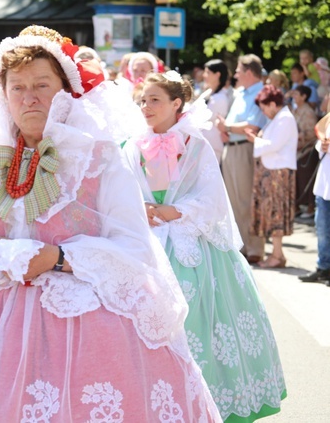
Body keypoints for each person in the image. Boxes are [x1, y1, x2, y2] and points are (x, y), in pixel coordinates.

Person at [0, 26, 219, 421]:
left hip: (83, 327)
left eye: (42, 84)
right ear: (3, 96)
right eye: (17, 87)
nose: (30, 97)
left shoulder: (98, 158)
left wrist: (59, 257)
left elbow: (135, 249)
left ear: (65, 90)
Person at [124, 72, 286, 421]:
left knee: (200, 324)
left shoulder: (196, 145)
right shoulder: (131, 145)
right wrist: (142, 209)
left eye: (154, 99)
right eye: (143, 100)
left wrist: (172, 211)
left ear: (176, 103)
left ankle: (207, 404)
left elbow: (212, 200)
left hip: (194, 248)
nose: (146, 106)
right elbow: (119, 194)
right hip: (147, 247)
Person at [217, 54, 268, 263]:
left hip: (245, 149)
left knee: (247, 200)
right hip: (232, 147)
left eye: (238, 70)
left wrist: (226, 127)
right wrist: (225, 129)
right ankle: (242, 246)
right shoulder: (241, 93)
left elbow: (252, 126)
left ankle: (255, 248)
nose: (236, 75)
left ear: (248, 72)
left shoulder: (260, 94)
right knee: (234, 202)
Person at [244, 85, 298, 268]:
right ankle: (277, 253)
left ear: (273, 104)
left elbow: (273, 144)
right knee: (272, 212)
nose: (264, 111)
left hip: (278, 173)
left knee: (276, 213)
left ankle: (277, 255)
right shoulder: (279, 118)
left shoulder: (284, 118)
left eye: (265, 107)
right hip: (273, 171)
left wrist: (255, 140)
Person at [300, 114, 330, 283]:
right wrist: (323, 145)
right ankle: (324, 267)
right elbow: (321, 142)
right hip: (325, 184)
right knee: (322, 229)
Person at [289, 85, 319, 219]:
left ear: (304, 97)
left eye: (296, 94)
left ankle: (310, 207)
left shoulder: (308, 112)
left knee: (305, 180)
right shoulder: (296, 110)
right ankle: (296, 206)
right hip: (295, 150)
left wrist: (301, 137)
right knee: (296, 181)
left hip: (306, 151)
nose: (294, 97)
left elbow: (313, 133)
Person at [197, 59, 233, 163]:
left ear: (217, 75)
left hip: (212, 147)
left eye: (208, 72)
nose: (204, 75)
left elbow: (201, 117)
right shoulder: (208, 93)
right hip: (202, 146)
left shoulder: (221, 98)